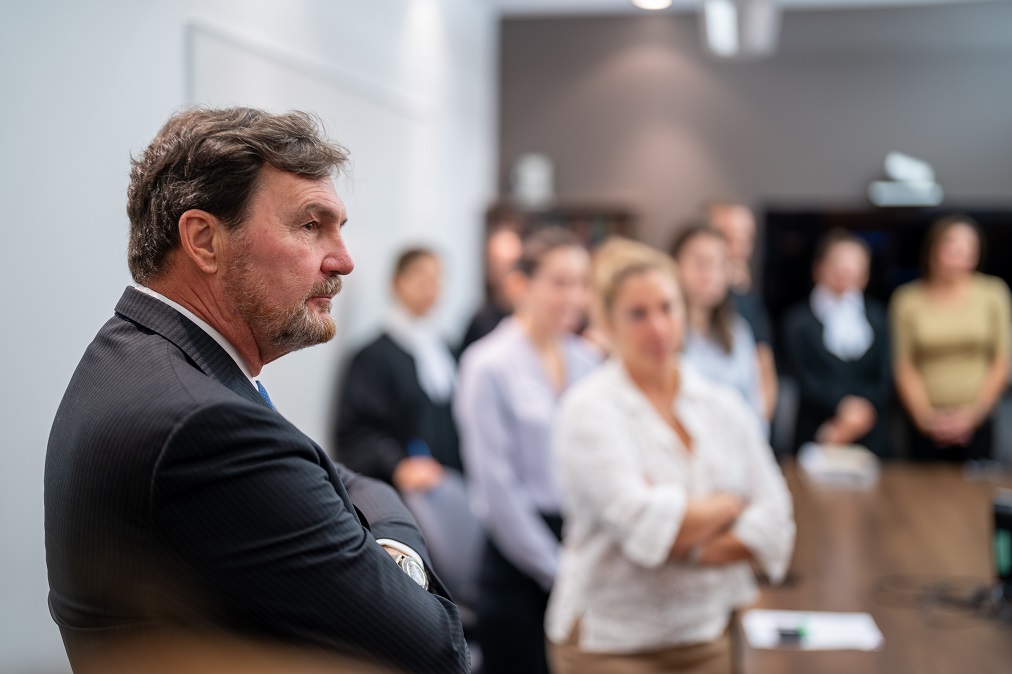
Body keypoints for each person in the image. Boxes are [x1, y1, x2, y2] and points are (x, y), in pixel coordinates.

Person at [44, 108, 469, 674]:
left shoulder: (144, 355)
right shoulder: (200, 422)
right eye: (311, 225)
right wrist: (398, 549)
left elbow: (337, 477)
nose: (343, 260)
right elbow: (436, 651)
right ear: (204, 240)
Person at [546, 239, 794, 674]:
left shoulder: (724, 405)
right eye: (638, 314)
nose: (658, 327)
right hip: (612, 640)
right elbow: (640, 523)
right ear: (606, 322)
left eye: (668, 307)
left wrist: (685, 546)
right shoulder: (588, 409)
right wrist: (730, 505)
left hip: (707, 631)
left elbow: (775, 521)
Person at [455, 228, 599, 674]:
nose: (573, 296)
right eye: (560, 282)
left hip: (582, 547)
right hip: (518, 563)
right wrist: (558, 571)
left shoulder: (587, 361)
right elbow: (497, 489)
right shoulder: (488, 364)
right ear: (523, 284)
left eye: (581, 283)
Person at [335, 248, 461, 491]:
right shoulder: (372, 356)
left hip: (449, 488)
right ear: (397, 283)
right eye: (421, 278)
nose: (430, 287)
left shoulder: (447, 349)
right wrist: (397, 465)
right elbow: (356, 431)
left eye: (437, 279)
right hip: (398, 493)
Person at [891, 215, 1011, 462]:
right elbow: (904, 364)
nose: (959, 256)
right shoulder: (908, 299)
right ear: (934, 249)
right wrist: (926, 418)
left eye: (968, 250)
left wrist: (973, 416)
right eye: (952, 247)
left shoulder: (993, 294)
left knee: (974, 493)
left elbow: (1001, 361)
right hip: (923, 423)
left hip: (978, 421)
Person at [781, 230, 892, 456]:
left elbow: (885, 376)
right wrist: (841, 408)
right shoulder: (797, 321)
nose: (845, 271)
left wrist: (858, 416)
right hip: (817, 431)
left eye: (855, 266)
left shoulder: (878, 318)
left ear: (865, 275)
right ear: (819, 268)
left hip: (870, 433)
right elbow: (801, 376)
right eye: (838, 263)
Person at [671, 224, 767, 431]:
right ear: (675, 265)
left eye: (721, 265)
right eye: (701, 263)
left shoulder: (738, 331)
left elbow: (754, 408)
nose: (711, 274)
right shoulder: (664, 332)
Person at [706, 200, 778, 423]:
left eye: (746, 238)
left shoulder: (747, 301)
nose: (738, 247)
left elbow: (764, 369)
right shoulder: (678, 302)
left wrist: (757, 426)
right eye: (728, 237)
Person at [459, 226, 523, 354]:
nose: (505, 271)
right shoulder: (480, 321)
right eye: (498, 264)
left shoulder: (536, 317)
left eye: (511, 264)